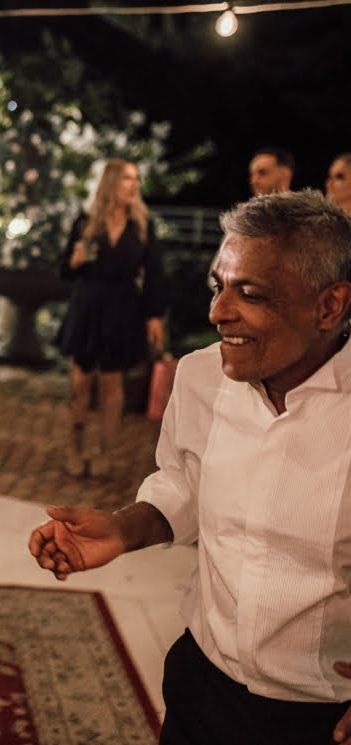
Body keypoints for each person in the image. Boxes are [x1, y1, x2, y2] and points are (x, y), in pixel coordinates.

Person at [29, 189, 351, 745]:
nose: (218, 312)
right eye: (217, 286)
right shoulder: (201, 377)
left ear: (329, 306)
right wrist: (121, 529)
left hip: (322, 717)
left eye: (250, 293)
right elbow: (184, 482)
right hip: (201, 684)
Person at [55, 159, 166, 477]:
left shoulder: (142, 225)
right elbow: (64, 271)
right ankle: (74, 448)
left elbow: (154, 273)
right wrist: (74, 262)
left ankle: (106, 451)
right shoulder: (86, 222)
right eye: (127, 178)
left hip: (122, 306)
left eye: (136, 179)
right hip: (89, 304)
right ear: (111, 183)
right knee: (80, 383)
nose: (133, 185)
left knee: (112, 384)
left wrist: (154, 315)